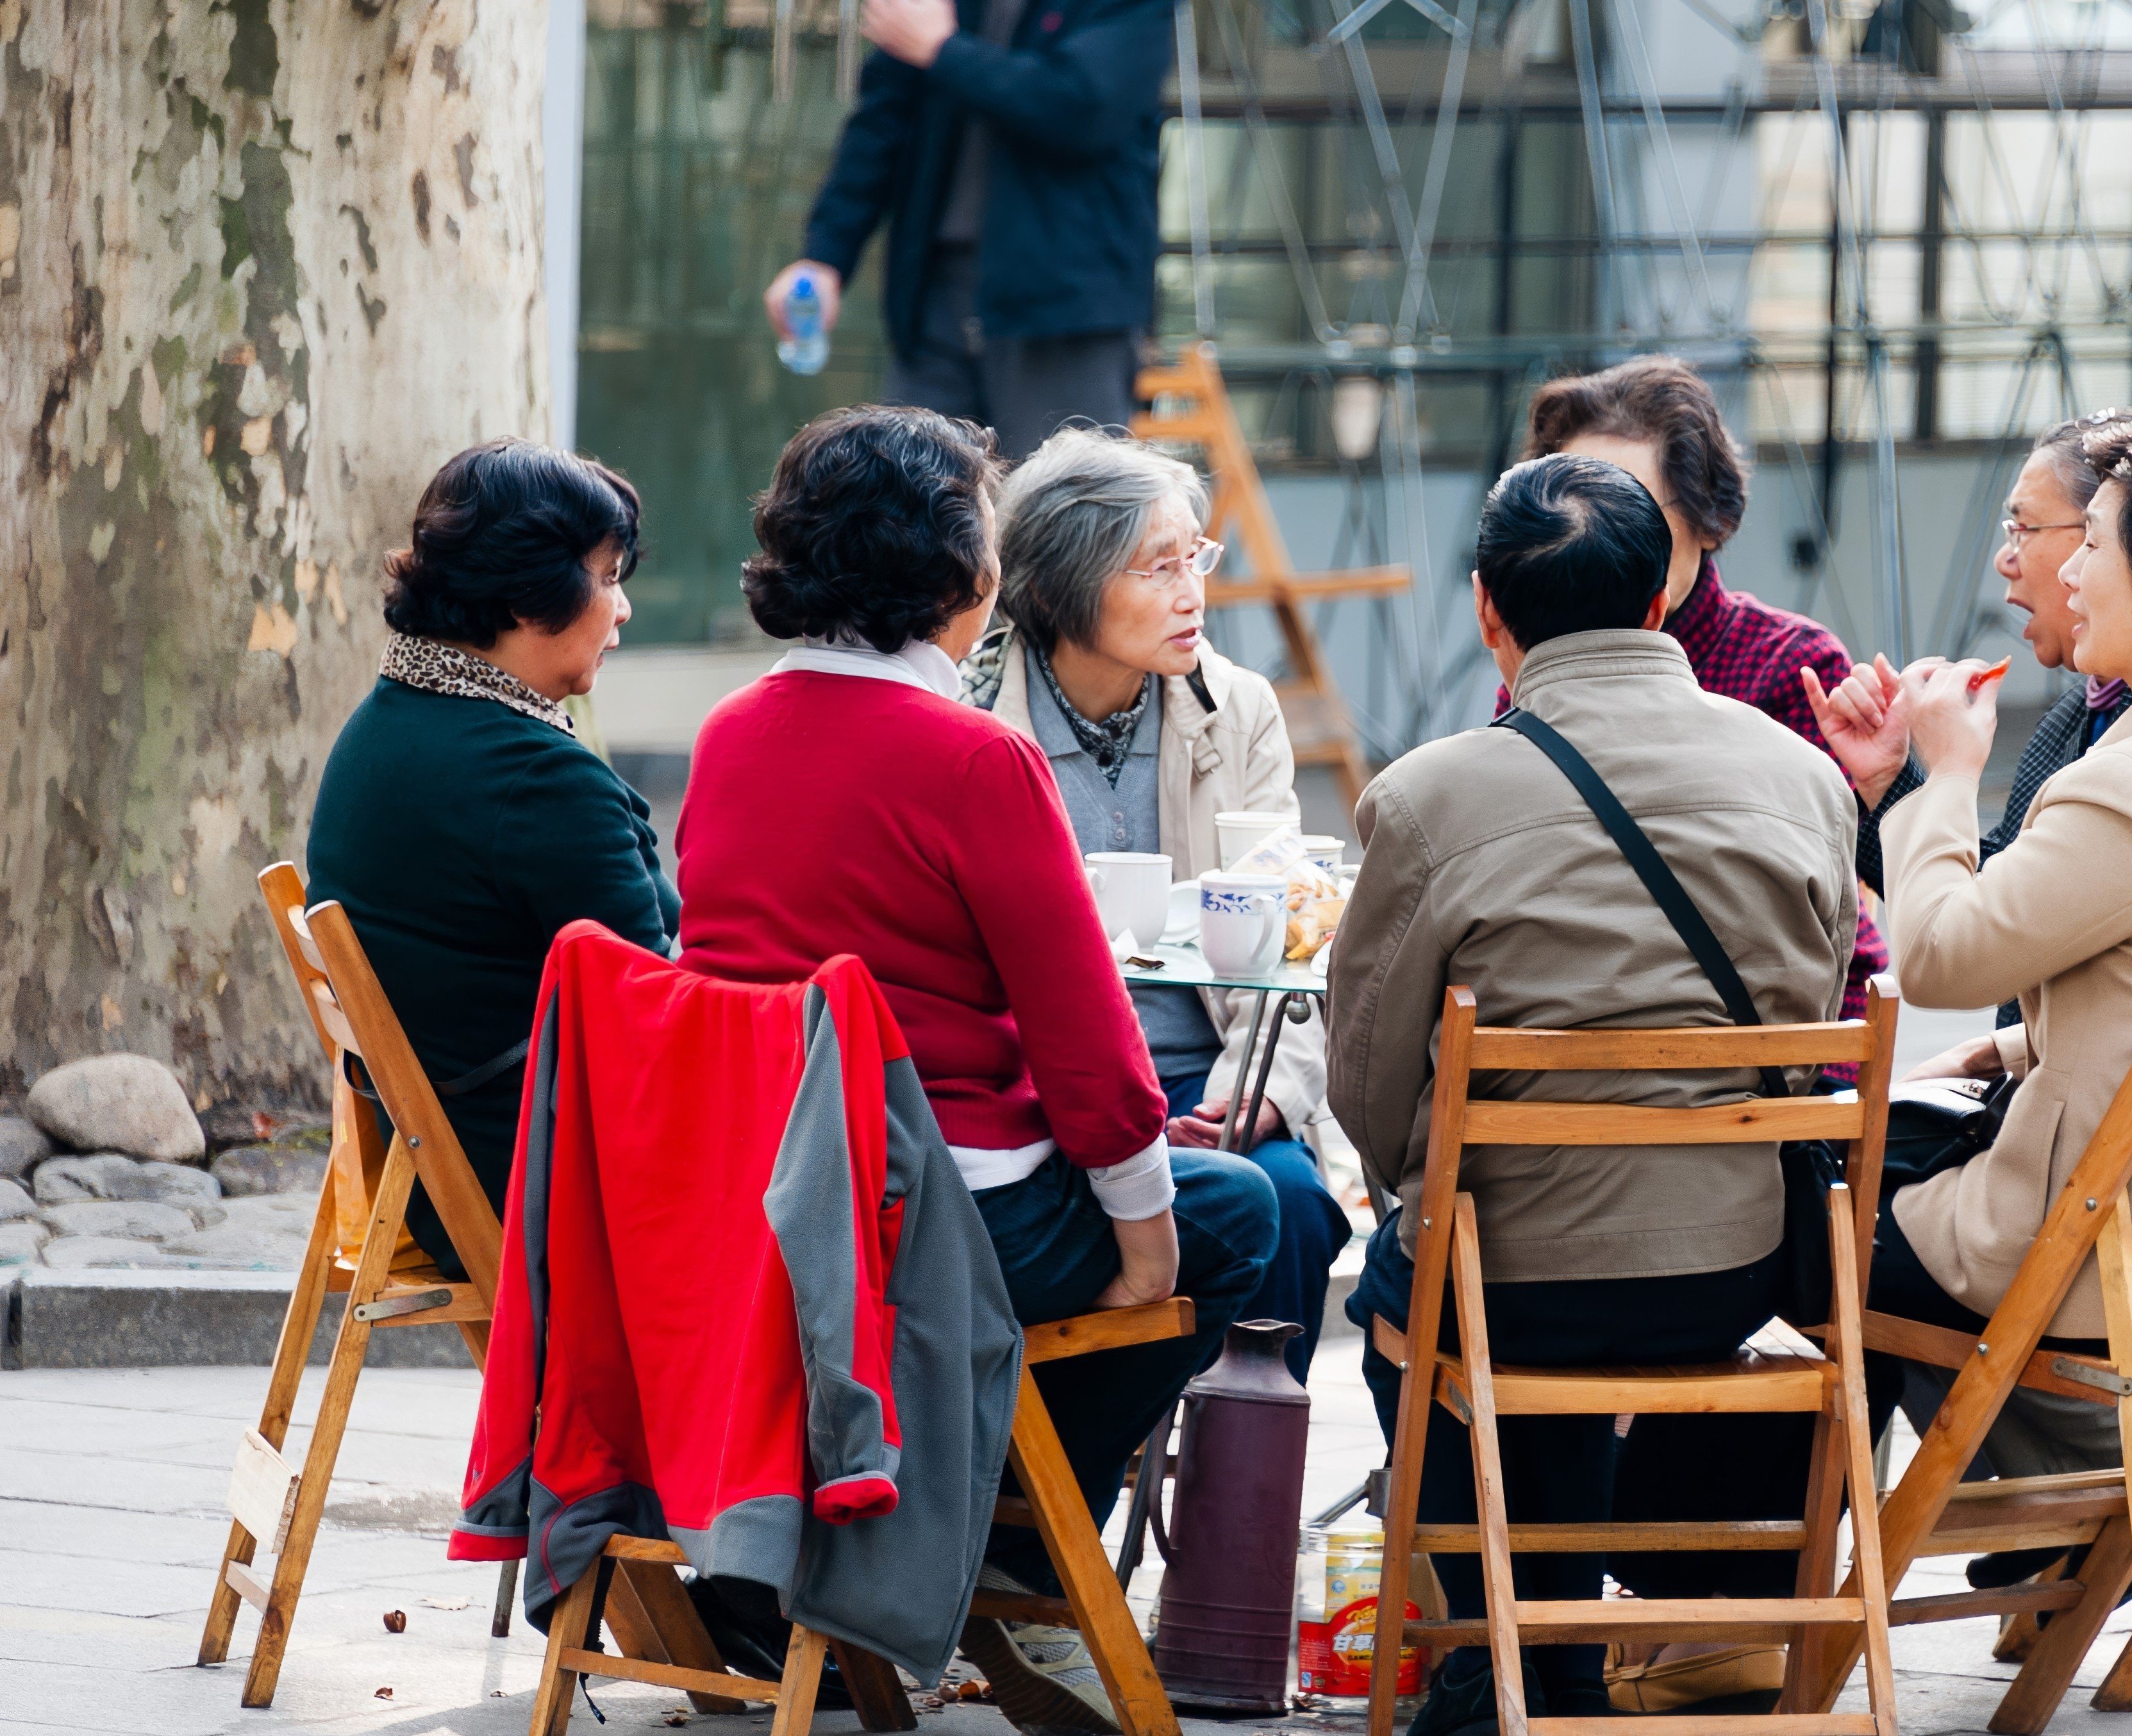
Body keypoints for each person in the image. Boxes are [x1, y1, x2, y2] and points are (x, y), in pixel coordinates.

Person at [671, 404, 1274, 1735]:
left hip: (766, 1205)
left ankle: (946, 1545)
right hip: (934, 1211)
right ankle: (1016, 1555)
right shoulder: (974, 757)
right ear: (965, 575)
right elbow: (1088, 1052)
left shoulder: (728, 734)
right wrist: (1145, 1234)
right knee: (1241, 1212)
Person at [1328, 454, 1857, 1736]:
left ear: (1483, 609)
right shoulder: (1807, 780)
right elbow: (1810, 1015)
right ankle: (1561, 1657)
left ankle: (1501, 1657)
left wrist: (1434, 1181)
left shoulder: (1427, 798)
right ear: (1660, 597)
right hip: (1737, 1261)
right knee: (1503, 1266)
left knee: (1430, 1279)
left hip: (1510, 1274)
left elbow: (1367, 1087)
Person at [1819, 417, 2132, 1489]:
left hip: (2097, 1258)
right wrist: (2001, 1059)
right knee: (1864, 1197)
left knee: (1797, 1225)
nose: (2070, 578)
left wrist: (1950, 774)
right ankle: (2089, 1514)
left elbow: (1946, 963)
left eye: (2093, 546)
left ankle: (1794, 1582)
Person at [963, 428, 1350, 1382]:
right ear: (1059, 583)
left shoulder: (1238, 708)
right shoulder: (971, 724)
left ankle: (1239, 1506)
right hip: (1040, 1095)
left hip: (1201, 1088)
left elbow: (1290, 926)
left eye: (1196, 559)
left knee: (1292, 1203)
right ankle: (1076, 1487)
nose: (1193, 594)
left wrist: (1256, 1097)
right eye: (1157, 567)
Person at [307, 440, 676, 1278]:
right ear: (527, 592)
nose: (621, 610)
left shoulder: (386, 722)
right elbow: (657, 1016)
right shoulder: (533, 777)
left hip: (435, 1178)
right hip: (535, 1190)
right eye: (608, 576)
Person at [1518, 357, 1888, 1045]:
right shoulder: (1541, 653)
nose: (1599, 544)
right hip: (1585, 1035)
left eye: (1632, 511)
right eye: (1574, 512)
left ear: (1709, 519)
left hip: (1777, 1056)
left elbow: (1831, 903)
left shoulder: (1792, 664)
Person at [764, 0, 1172, 459]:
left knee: (1063, 514)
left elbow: (1086, 108)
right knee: (905, 505)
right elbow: (881, 123)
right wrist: (824, 257)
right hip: (934, 294)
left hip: (1064, 307)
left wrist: (943, 50)